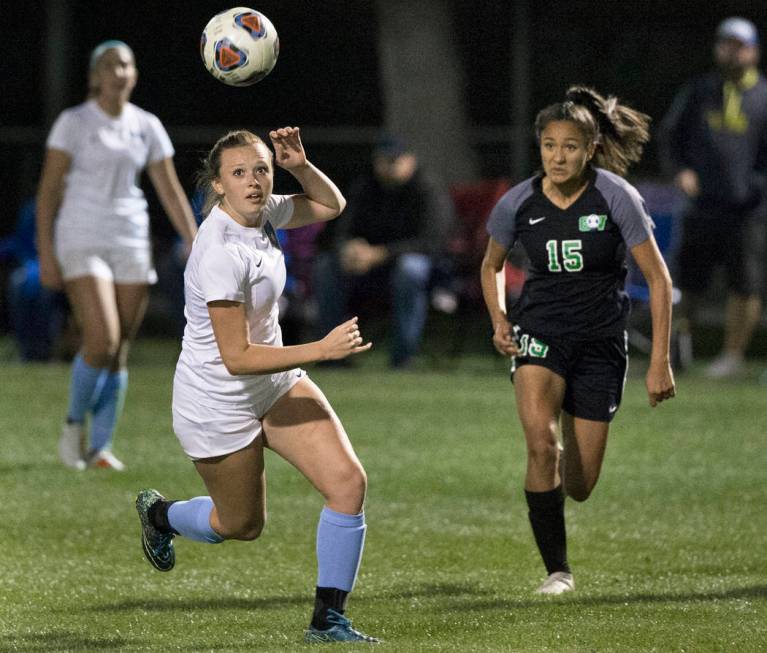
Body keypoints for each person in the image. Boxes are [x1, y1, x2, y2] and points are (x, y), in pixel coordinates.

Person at [135, 127, 378, 643]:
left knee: (347, 483)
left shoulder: (265, 210)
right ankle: (162, 516)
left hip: (274, 383)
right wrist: (321, 349)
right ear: (218, 185)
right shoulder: (218, 248)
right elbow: (237, 356)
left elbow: (330, 205)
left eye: (261, 170)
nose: (253, 181)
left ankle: (328, 620)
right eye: (239, 173)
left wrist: (302, 165)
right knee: (240, 524)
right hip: (217, 400)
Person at [481, 86, 676, 594]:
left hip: (601, 344)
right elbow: (491, 265)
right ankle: (557, 571)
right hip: (540, 336)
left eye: (569, 146)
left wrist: (660, 362)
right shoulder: (518, 201)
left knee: (581, 484)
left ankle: (563, 458)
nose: (558, 156)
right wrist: (500, 320)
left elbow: (658, 279)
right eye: (549, 145)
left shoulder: (615, 196)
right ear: (539, 147)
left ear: (590, 149)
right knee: (542, 446)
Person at [36, 40, 198, 471]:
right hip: (81, 235)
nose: (118, 71)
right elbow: (48, 193)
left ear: (134, 74)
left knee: (120, 347)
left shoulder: (146, 125)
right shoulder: (73, 123)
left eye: (126, 64)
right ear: (94, 76)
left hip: (129, 237)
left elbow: (169, 190)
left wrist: (195, 240)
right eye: (109, 65)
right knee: (101, 339)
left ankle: (100, 447)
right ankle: (74, 426)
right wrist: (46, 254)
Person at [658, 17, 767, 378]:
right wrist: (680, 171)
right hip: (702, 206)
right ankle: (674, 351)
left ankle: (731, 357)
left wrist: (756, 186)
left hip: (748, 210)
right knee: (687, 283)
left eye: (740, 45)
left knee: (745, 284)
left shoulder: (763, 96)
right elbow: (670, 135)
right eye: (726, 43)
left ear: (753, 50)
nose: (732, 52)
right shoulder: (699, 90)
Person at [313, 135, 454, 368]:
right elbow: (335, 232)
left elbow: (432, 242)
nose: (388, 166)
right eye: (383, 160)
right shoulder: (364, 186)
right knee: (326, 266)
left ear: (410, 161)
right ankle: (331, 354)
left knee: (410, 269)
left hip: (423, 270)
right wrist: (347, 249)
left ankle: (403, 357)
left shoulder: (428, 189)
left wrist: (381, 253)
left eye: (395, 160)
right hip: (367, 267)